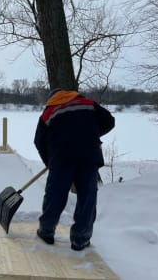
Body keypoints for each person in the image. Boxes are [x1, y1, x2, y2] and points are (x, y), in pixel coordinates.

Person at [34, 88, 115, 251]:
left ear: (52, 98)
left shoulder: (48, 112)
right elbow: (109, 121)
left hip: (61, 159)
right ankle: (80, 239)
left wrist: (49, 162)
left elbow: (39, 141)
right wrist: (89, 133)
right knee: (87, 198)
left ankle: (46, 231)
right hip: (89, 157)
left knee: (55, 196)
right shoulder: (88, 104)